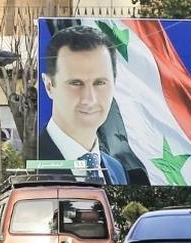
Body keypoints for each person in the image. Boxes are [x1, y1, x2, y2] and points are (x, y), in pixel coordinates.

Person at [39, 25, 127, 184]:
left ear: (114, 84)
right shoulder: (32, 162)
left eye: (100, 82)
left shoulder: (117, 169)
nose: (89, 99)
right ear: (49, 86)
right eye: (75, 83)